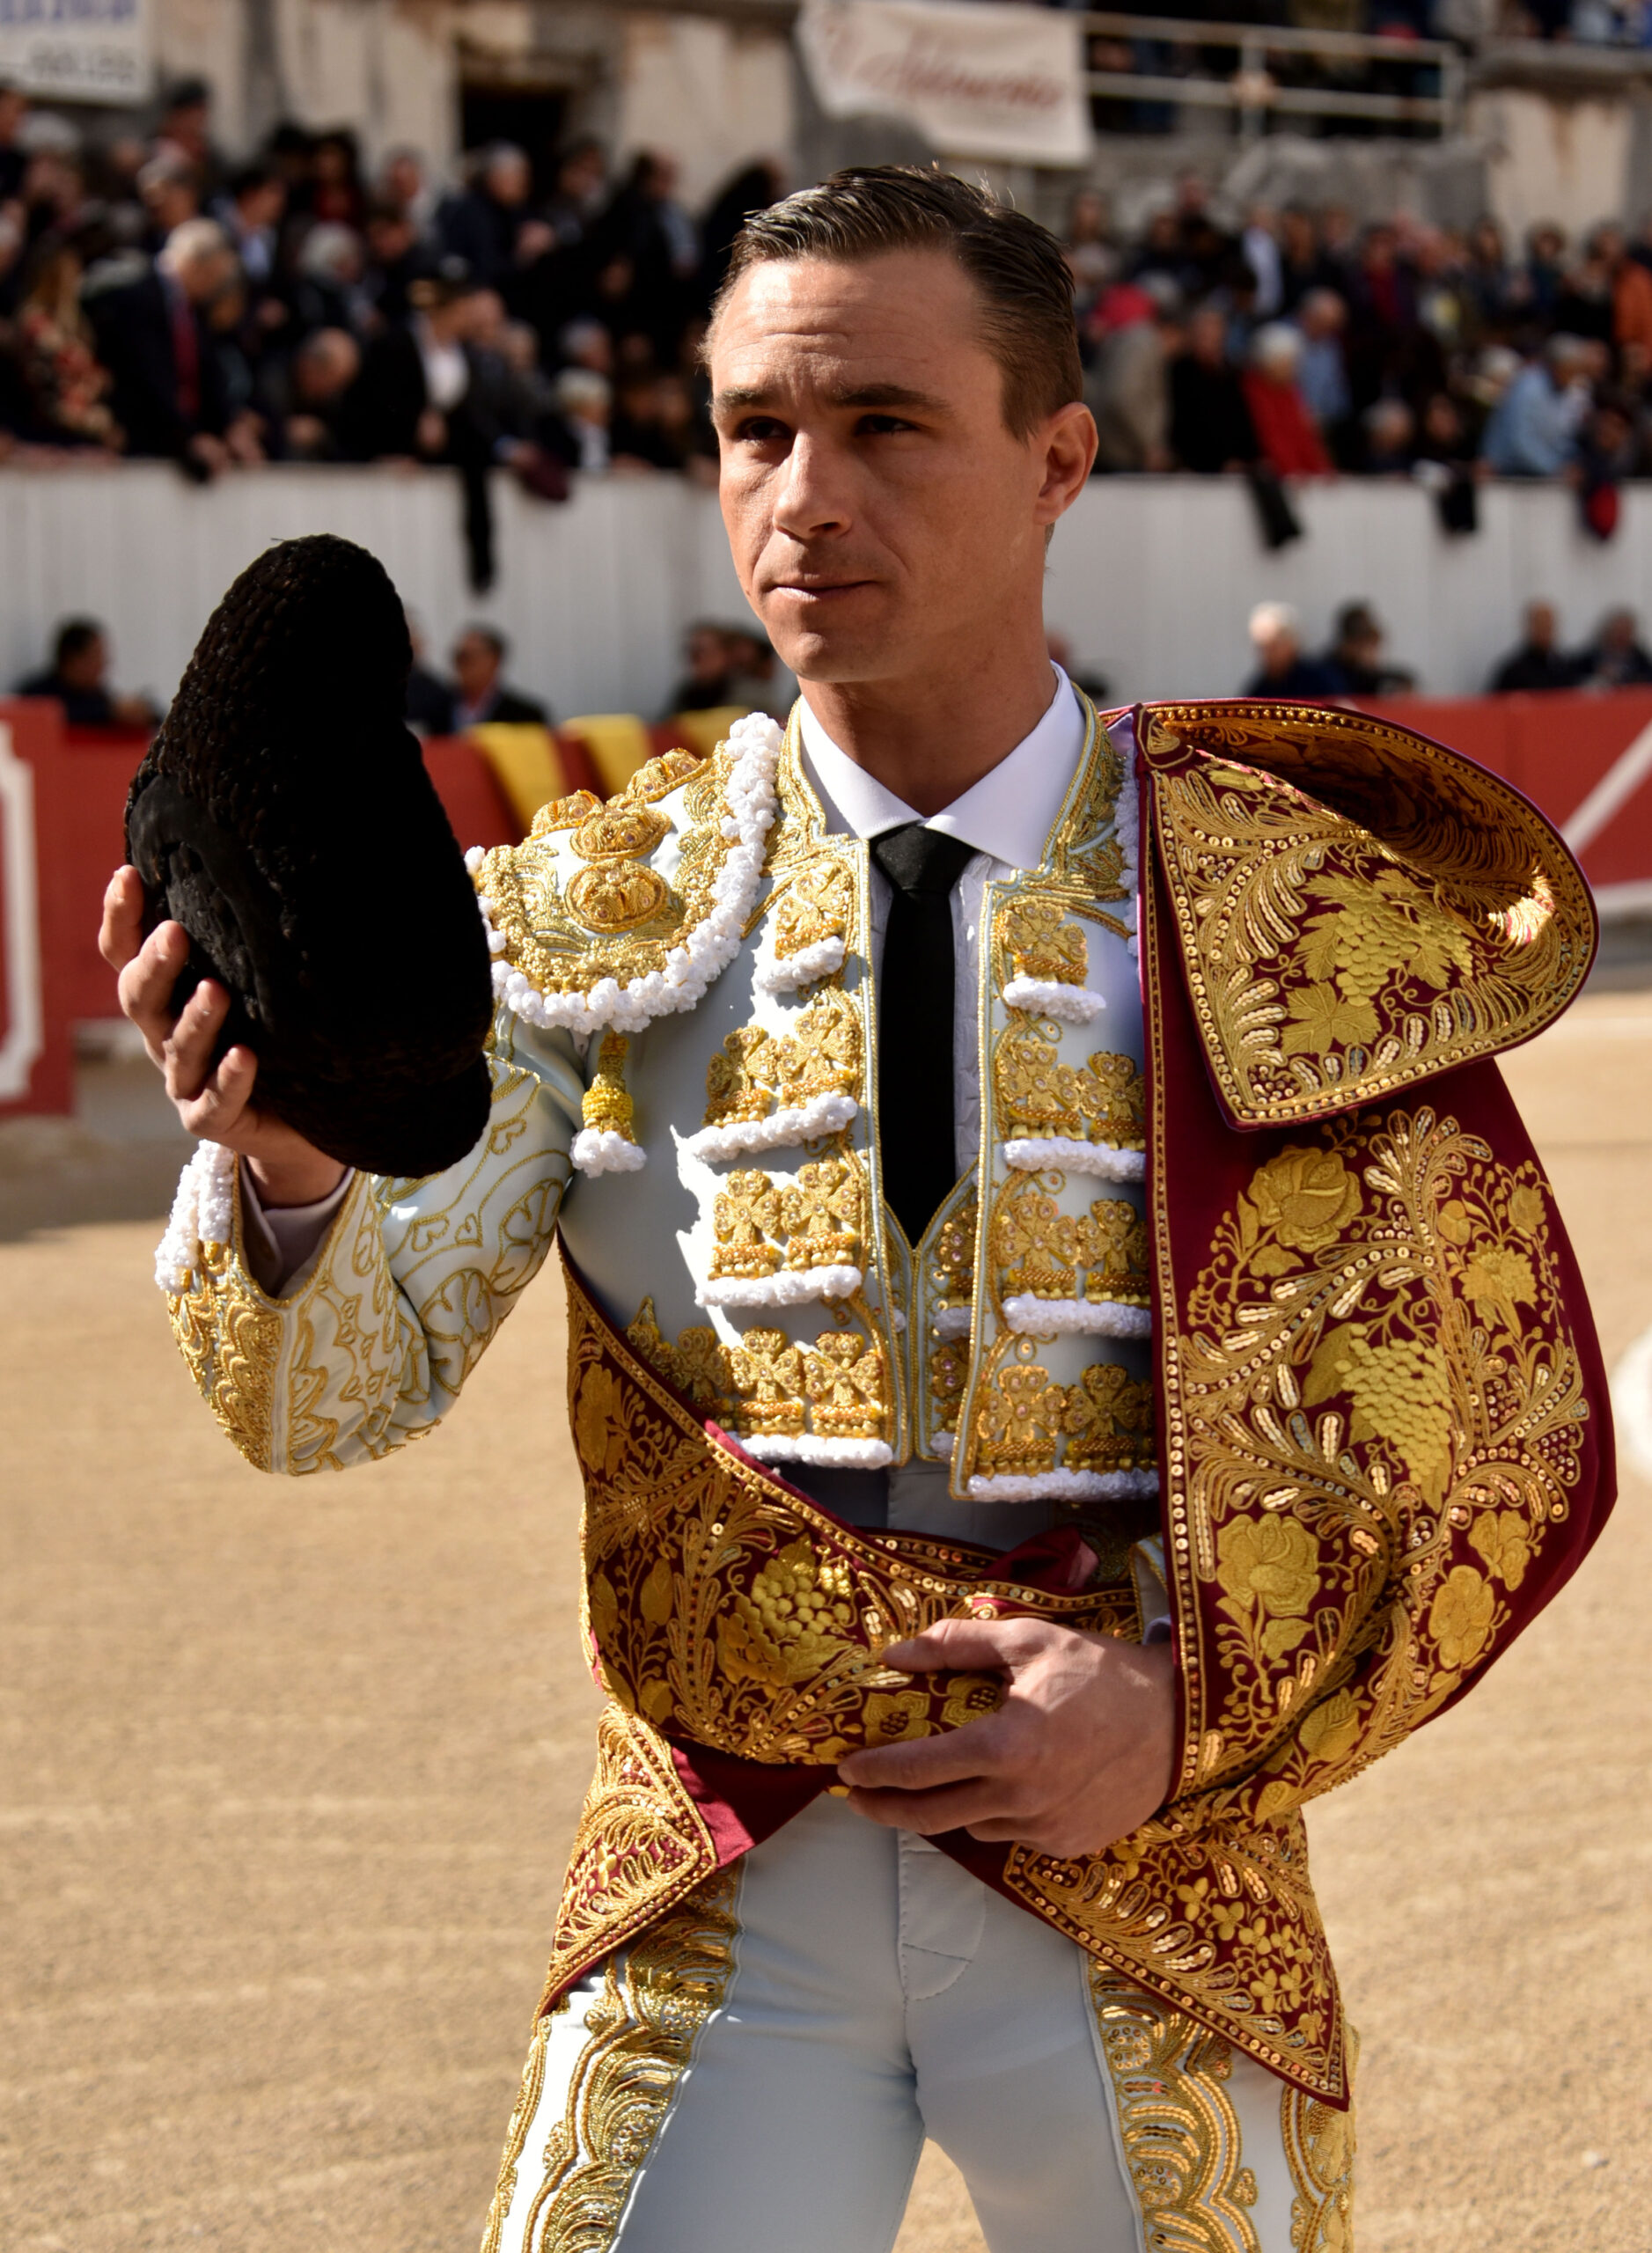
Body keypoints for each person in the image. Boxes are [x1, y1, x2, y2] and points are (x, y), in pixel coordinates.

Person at [101, 166, 1612, 2253]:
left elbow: (1500, 1431)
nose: (803, 495)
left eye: (884, 424)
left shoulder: (1275, 905)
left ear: (1057, 456)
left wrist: (1186, 1704)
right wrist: (284, 1170)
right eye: (754, 430)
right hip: (722, 1886)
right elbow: (329, 1400)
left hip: (1148, 1877)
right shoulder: (582, 917)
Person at [18, 616, 156, 726]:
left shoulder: (99, 696)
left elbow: (157, 718)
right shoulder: (37, 695)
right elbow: (64, 715)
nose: (104, 665)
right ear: (74, 659)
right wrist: (110, 712)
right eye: (96, 657)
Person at [449, 624, 547, 726]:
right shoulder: (439, 708)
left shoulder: (525, 715)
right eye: (459, 657)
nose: (463, 664)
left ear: (495, 661)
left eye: (470, 658)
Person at [1242, 599, 1344, 698]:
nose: (1267, 654)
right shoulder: (1258, 690)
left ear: (1291, 643)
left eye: (1273, 647)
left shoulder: (1320, 681)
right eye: (1261, 648)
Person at [1325, 599, 1416, 694]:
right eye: (1369, 648)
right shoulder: (1327, 674)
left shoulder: (1367, 674)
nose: (1374, 655)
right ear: (1351, 645)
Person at [1489, 599, 1582, 692]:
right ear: (1529, 626)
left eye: (1549, 625)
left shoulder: (1565, 668)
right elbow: (1495, 703)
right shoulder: (1513, 672)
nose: (1545, 631)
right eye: (1541, 624)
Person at [1576, 605, 1652, 687]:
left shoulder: (1641, 661)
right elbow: (1573, 680)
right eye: (1618, 630)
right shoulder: (1588, 659)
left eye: (1625, 631)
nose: (1621, 635)